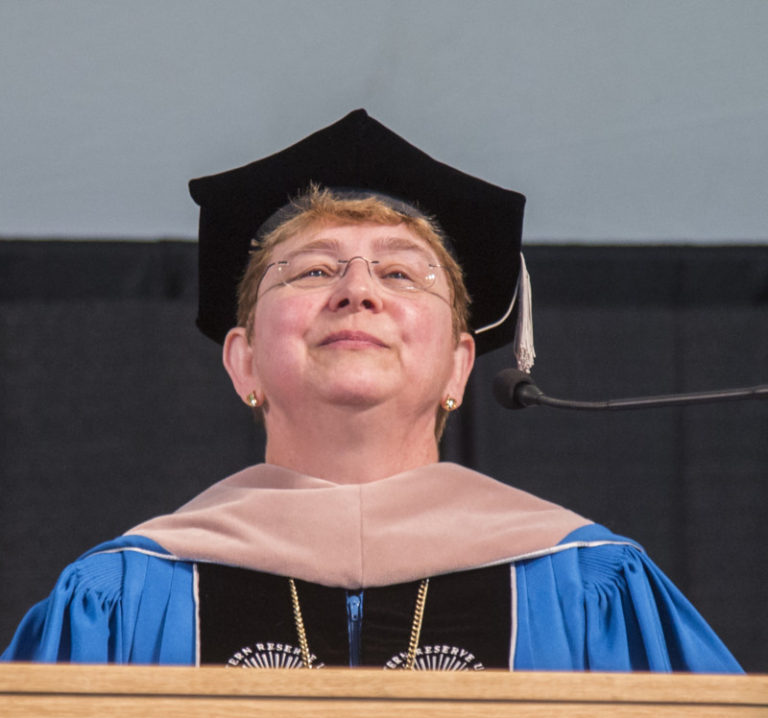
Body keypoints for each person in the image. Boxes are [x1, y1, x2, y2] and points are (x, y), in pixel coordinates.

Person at [2, 110, 741, 672]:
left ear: (458, 366)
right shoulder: (124, 596)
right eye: (313, 271)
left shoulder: (586, 582)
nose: (357, 291)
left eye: (399, 273)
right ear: (244, 362)